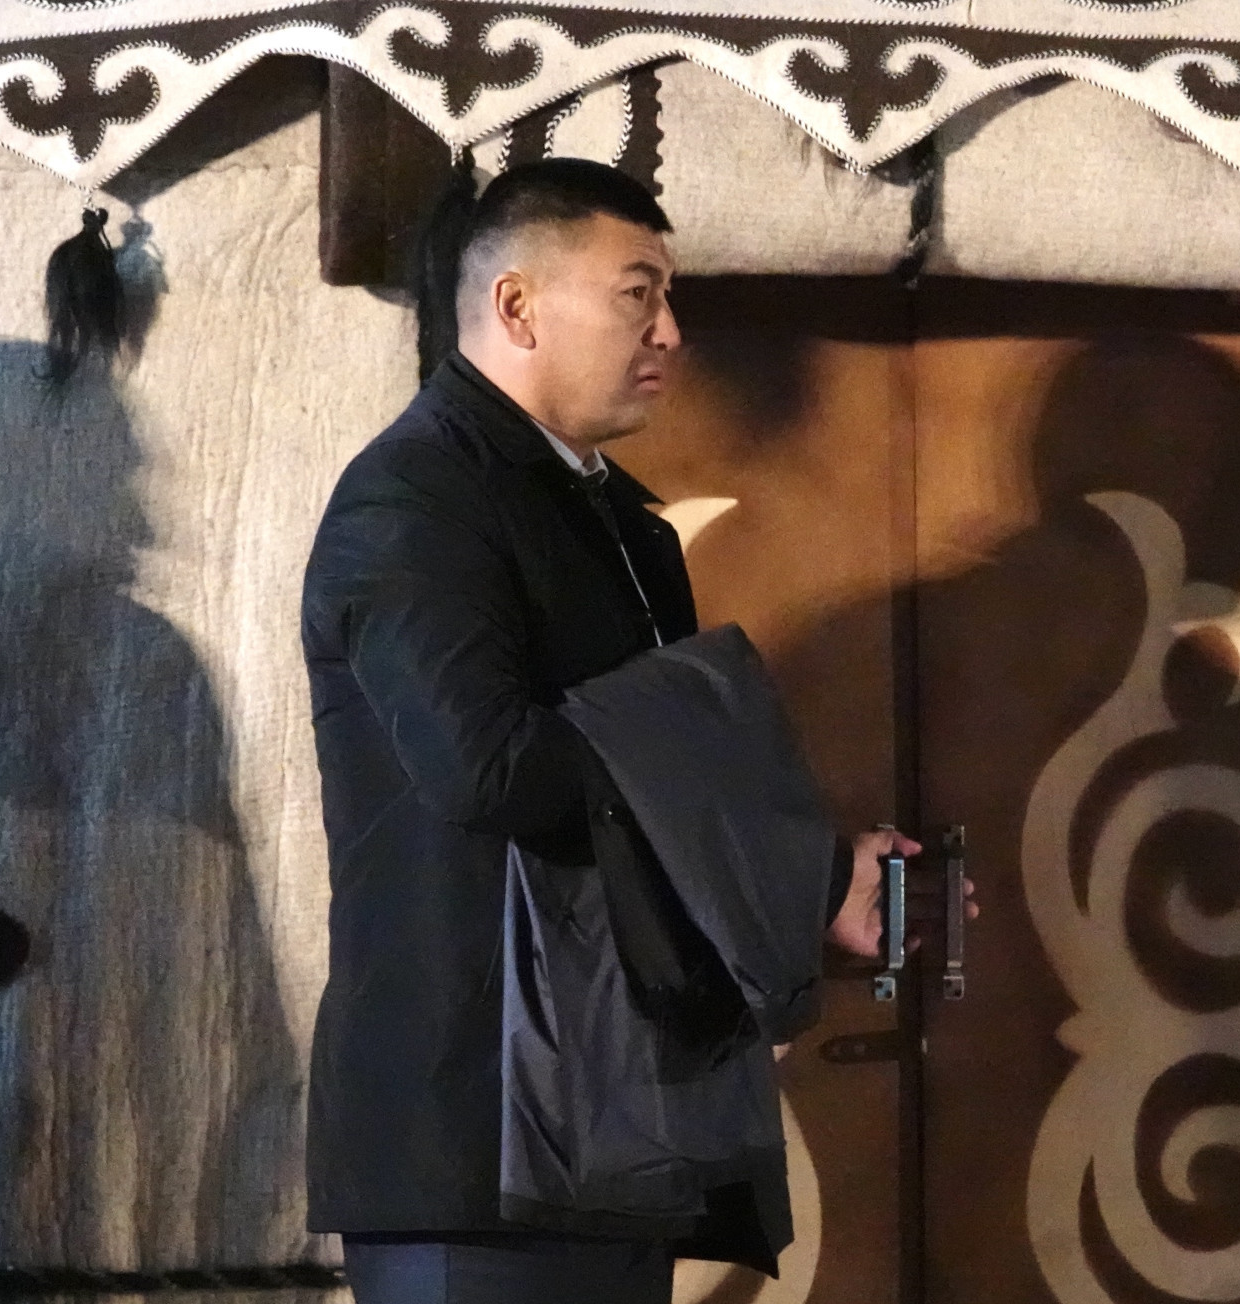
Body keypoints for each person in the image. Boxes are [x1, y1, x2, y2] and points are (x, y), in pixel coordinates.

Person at [300, 159, 963, 1304]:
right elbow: (492, 767)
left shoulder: (616, 522)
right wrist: (783, 858)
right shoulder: (414, 497)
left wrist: (803, 887)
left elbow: (643, 788)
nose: (670, 330)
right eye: (637, 293)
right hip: (473, 1134)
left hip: (606, 1119)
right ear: (517, 306)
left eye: (669, 296)